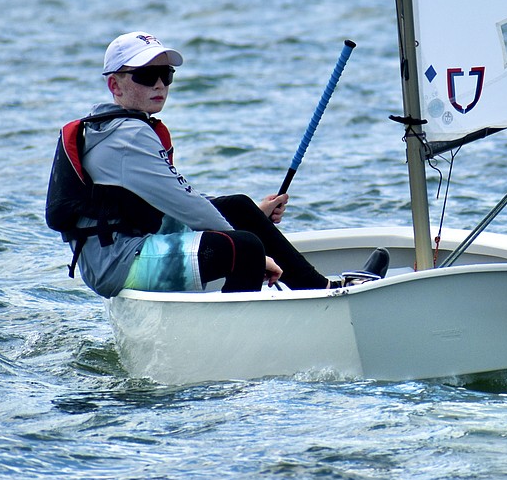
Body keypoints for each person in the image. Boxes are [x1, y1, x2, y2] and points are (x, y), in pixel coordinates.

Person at [53, 31, 387, 297]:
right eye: (146, 75)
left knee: (240, 208)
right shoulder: (126, 136)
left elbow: (175, 203)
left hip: (127, 247)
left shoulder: (118, 128)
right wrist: (257, 253)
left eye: (165, 75)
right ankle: (240, 339)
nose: (159, 84)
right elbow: (185, 203)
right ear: (115, 84)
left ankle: (321, 290)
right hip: (118, 264)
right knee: (243, 246)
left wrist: (253, 216)